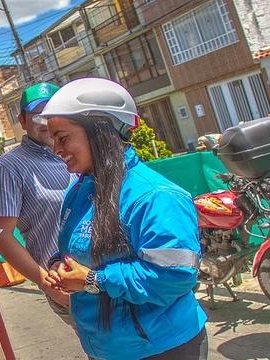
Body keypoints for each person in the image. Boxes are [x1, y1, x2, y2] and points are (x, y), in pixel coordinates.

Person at [42, 78, 208, 360]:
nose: (56, 148)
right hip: (105, 348)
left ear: (100, 132)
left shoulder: (156, 196)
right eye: (53, 139)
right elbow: (76, 251)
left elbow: (175, 277)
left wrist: (94, 279)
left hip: (162, 349)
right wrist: (58, 264)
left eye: (63, 137)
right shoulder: (79, 190)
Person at [0, 82, 75, 320]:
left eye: (53, 113)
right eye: (38, 115)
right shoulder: (7, 168)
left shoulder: (77, 153)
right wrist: (47, 284)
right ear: (22, 121)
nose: (46, 122)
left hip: (105, 276)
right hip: (65, 285)